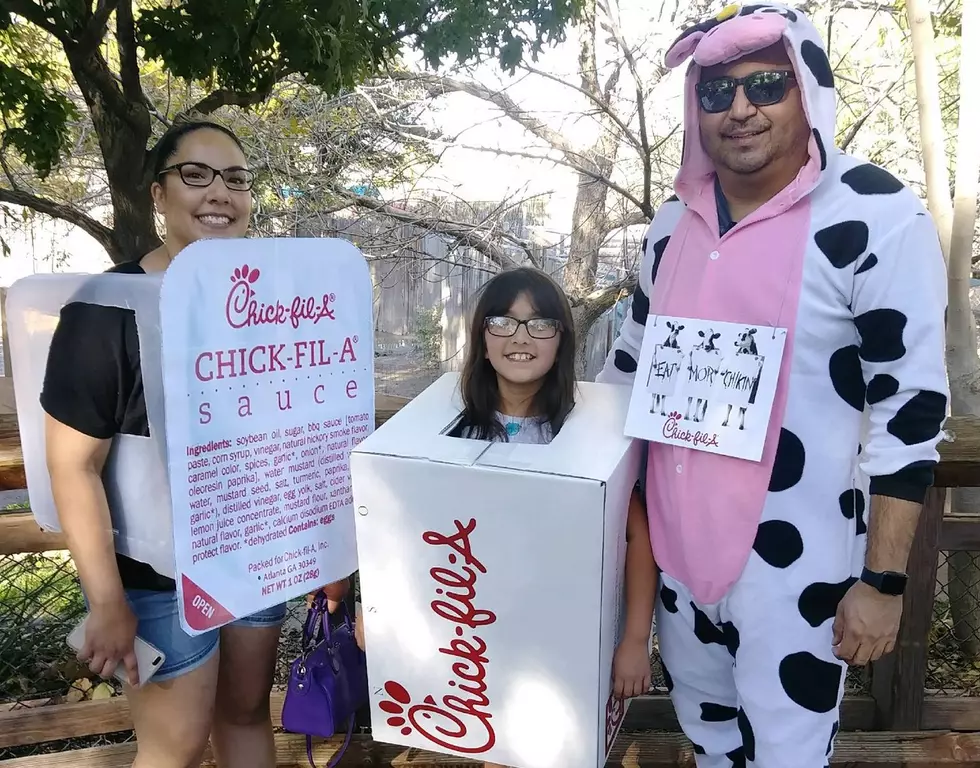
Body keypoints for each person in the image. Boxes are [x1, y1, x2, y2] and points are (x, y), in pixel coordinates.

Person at [596, 3, 948, 766]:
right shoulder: (670, 226)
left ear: (808, 87)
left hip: (799, 567)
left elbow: (911, 406)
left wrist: (883, 580)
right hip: (680, 560)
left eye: (765, 84)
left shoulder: (877, 215)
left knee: (788, 753)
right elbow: (628, 367)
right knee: (709, 741)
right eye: (716, 93)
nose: (741, 108)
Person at [41, 119, 349, 768]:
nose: (219, 193)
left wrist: (326, 551)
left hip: (252, 557)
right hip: (153, 581)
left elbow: (296, 440)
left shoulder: (268, 305)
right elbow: (74, 463)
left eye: (236, 179)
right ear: (157, 193)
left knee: (243, 717)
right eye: (196, 175)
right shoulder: (104, 311)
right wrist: (106, 603)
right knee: (173, 745)